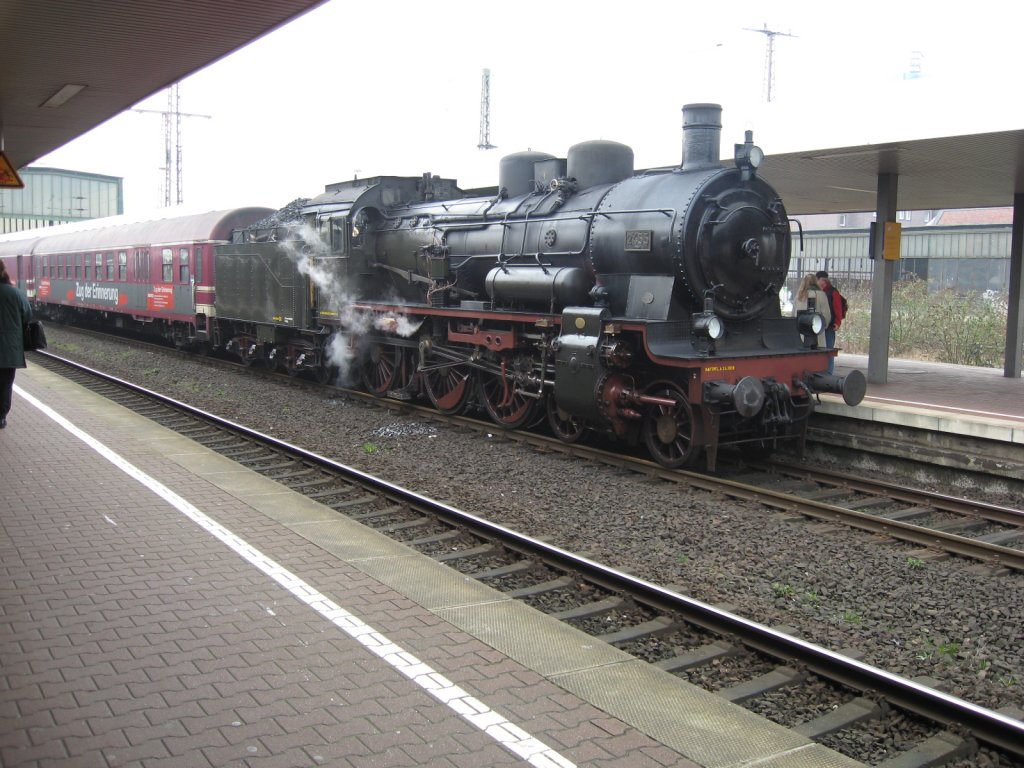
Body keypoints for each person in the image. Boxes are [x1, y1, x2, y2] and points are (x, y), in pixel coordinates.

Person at [0, 262, 32, 429]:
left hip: (10, 348)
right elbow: (28, 315)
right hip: (10, 350)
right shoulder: (15, 293)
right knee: (5, 383)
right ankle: (1, 417)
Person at [815, 270, 845, 374]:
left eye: (824, 280)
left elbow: (838, 309)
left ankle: (828, 373)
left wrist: (838, 322)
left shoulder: (833, 292)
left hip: (828, 327)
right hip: (818, 327)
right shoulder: (818, 291)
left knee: (828, 351)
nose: (822, 282)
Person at [793, 273, 830, 350]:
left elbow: (793, 314)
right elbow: (826, 315)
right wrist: (822, 327)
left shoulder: (799, 296)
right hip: (817, 335)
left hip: (800, 336)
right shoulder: (821, 295)